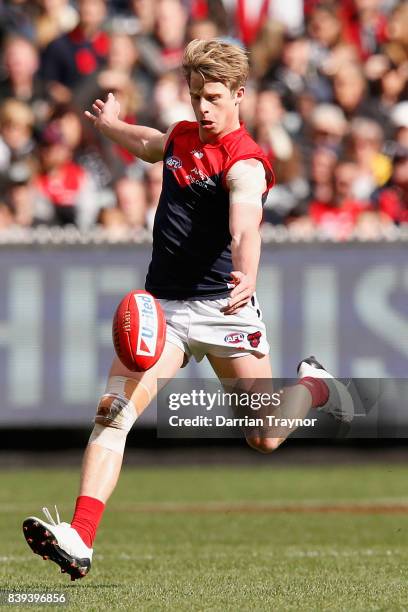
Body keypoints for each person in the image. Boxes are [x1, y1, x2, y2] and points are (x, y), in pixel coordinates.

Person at [22, 39, 354, 581]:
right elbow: (153, 143)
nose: (202, 107)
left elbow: (245, 224)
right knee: (112, 414)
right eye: (196, 95)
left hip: (225, 308)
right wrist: (111, 127)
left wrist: (248, 271)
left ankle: (314, 385)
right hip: (165, 311)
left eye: (214, 97)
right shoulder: (182, 136)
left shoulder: (246, 161)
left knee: (265, 435)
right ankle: (80, 537)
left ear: (239, 95)